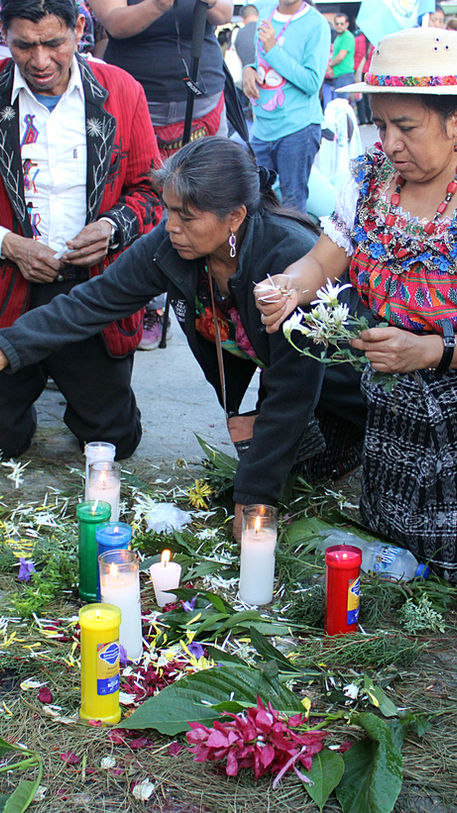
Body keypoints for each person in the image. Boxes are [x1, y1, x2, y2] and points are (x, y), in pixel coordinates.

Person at [0, 138, 365, 539]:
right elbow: (93, 302)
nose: (171, 226)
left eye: (187, 217)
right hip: (287, 387)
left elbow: (293, 389)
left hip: (348, 386)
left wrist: (254, 496)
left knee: (307, 488)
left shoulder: (287, 258)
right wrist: (9, 346)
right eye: (170, 210)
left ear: (235, 217)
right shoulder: (172, 246)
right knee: (280, 468)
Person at [254, 27, 457, 582]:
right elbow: (323, 260)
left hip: (447, 392)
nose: (389, 142)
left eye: (407, 127)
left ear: (454, 121)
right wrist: (289, 286)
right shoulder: (370, 180)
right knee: (389, 536)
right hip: (392, 393)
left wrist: (435, 351)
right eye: (382, 123)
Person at [0, 0, 162, 461]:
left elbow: (153, 193)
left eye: (53, 43)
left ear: (79, 29)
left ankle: (71, 385)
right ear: (4, 34)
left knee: (113, 442)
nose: (40, 61)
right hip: (9, 288)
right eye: (23, 46)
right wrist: (8, 243)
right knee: (1, 441)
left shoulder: (120, 90)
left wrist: (112, 228)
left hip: (90, 292)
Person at [89, 0, 233, 349]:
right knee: (144, 202)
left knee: (208, 202)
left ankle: (215, 301)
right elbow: (114, 22)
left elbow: (224, 14)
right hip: (138, 97)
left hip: (203, 96)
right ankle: (148, 305)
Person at [242, 0, 330, 212]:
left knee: (292, 205)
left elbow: (312, 83)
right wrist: (249, 69)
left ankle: (294, 246)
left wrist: (273, 50)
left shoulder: (316, 24)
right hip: (262, 129)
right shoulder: (265, 13)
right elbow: (261, 62)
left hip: (298, 128)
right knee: (256, 203)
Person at [329, 13, 354, 100]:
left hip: (345, 75)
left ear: (347, 24)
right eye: (337, 24)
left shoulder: (347, 37)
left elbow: (340, 56)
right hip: (338, 75)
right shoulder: (338, 37)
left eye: (342, 24)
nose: (339, 26)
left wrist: (330, 66)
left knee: (342, 104)